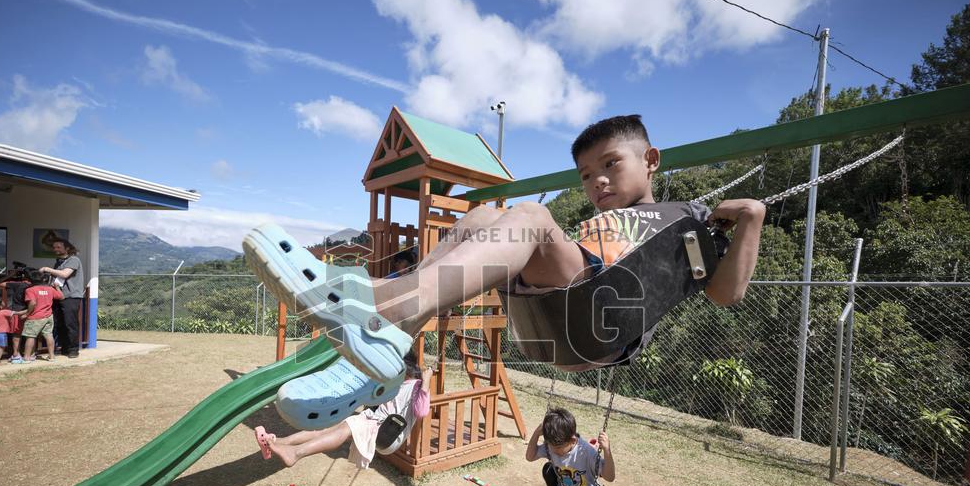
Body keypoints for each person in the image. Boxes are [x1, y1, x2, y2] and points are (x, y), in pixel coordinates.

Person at [243, 113, 765, 384]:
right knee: (480, 215)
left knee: (534, 216)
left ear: (650, 159)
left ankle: (386, 305)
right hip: (560, 311)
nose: (598, 182)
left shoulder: (683, 218)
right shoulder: (601, 221)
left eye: (611, 164)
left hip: (601, 317)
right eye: (587, 174)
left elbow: (727, 293)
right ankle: (396, 322)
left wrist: (751, 219)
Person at [255, 351, 433, 470]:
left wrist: (426, 382)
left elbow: (421, 411)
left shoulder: (417, 386)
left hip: (386, 433)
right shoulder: (393, 383)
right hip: (372, 420)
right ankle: (278, 441)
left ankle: (294, 453)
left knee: (345, 427)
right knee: (329, 426)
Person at [40, 238, 84, 358]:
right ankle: (65, 348)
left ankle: (73, 349)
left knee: (70, 323)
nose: (55, 249)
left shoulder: (74, 259)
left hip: (71, 296)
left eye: (58, 247)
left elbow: (65, 274)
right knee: (60, 324)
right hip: (58, 296)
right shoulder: (59, 262)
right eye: (54, 247)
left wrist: (47, 269)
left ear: (67, 248)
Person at [12, 270, 63, 363]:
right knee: (49, 335)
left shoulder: (30, 290)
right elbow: (61, 297)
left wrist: (27, 314)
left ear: (29, 280)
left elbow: (33, 303)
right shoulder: (50, 289)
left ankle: (27, 357)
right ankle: (52, 356)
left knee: (30, 336)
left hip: (35, 317)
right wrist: (57, 288)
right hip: (48, 316)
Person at [0, 269, 29, 362]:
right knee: (30, 334)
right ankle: (30, 354)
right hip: (31, 311)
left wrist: (9, 276)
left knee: (16, 334)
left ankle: (16, 354)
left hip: (17, 312)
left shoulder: (16, 284)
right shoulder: (36, 284)